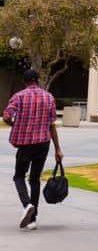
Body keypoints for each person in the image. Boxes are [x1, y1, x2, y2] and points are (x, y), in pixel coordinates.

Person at [3, 69, 63, 231]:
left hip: (25, 143)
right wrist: (58, 149)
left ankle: (27, 204)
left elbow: (7, 115)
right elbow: (52, 125)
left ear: (25, 81)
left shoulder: (19, 97)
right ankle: (33, 219)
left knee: (19, 176)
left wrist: (15, 125)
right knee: (35, 178)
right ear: (38, 80)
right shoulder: (48, 97)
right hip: (43, 143)